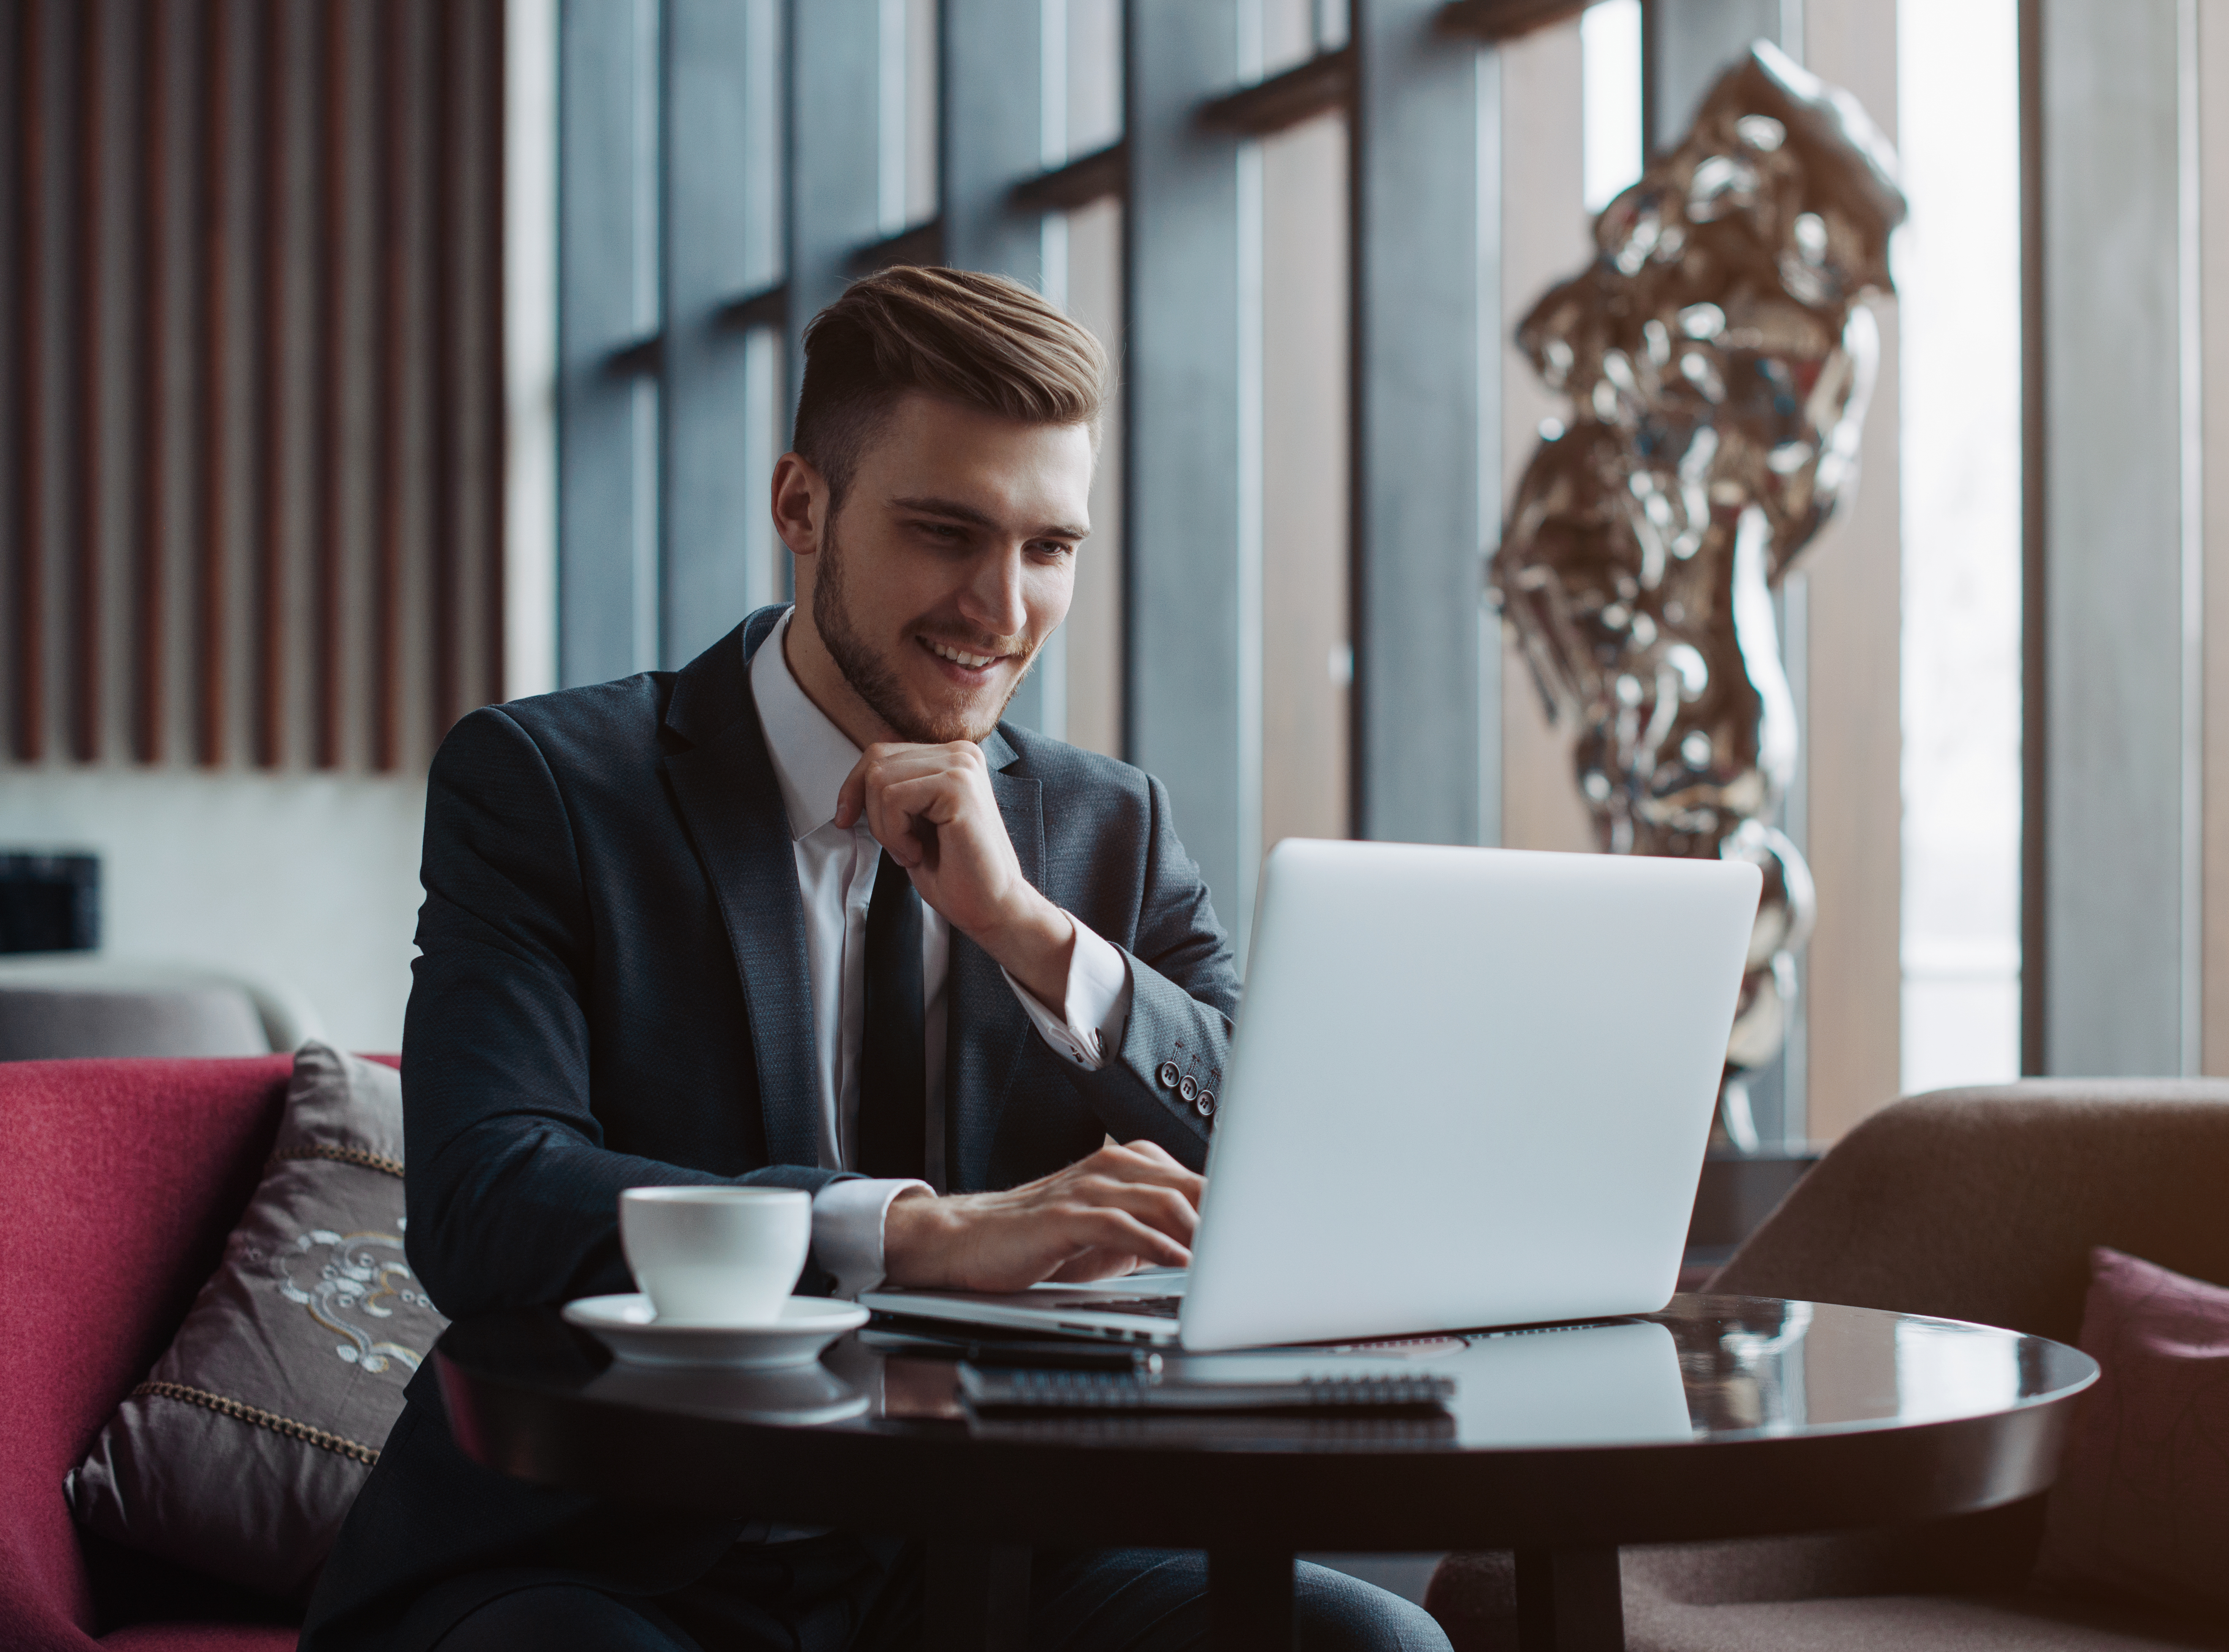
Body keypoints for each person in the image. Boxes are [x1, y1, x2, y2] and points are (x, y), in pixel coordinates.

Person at [301, 267, 1449, 1652]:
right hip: (608, 1550)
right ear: (802, 506)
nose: (1002, 605)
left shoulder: (1104, 828)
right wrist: (910, 1231)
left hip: (994, 1561)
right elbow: (489, 1203)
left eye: (1048, 547)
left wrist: (1026, 930)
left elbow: (1291, 1146)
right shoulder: (549, 784)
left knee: (1373, 1646)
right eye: (945, 530)